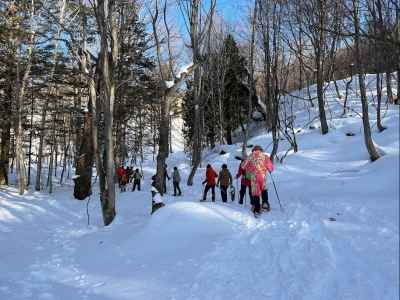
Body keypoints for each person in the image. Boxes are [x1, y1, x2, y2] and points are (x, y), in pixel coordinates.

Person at [242, 145, 274, 216]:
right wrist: (269, 169)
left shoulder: (250, 156)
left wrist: (249, 168)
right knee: (264, 189)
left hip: (254, 177)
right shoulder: (265, 156)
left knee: (256, 192)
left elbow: (243, 165)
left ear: (253, 150)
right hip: (263, 176)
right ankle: (265, 204)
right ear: (261, 149)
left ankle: (257, 209)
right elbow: (271, 167)